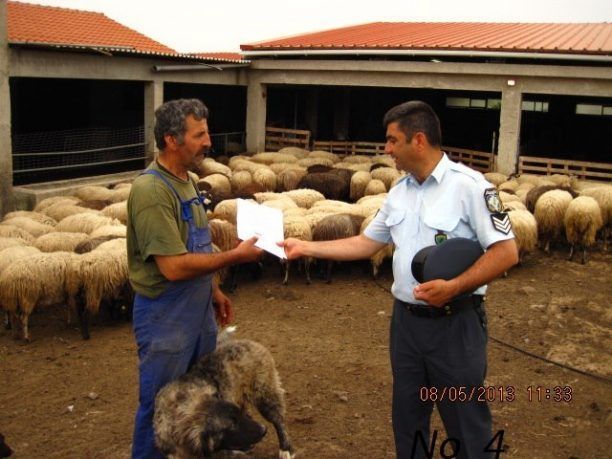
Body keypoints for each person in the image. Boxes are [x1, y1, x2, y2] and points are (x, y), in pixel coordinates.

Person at [280, 100, 518, 458]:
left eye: (392, 141)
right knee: (408, 422)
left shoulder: (472, 187)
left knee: (466, 423)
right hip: (406, 326)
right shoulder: (398, 192)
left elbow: (507, 251)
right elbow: (366, 243)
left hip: (455, 326)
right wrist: (307, 247)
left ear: (418, 140)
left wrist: (454, 287)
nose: (387, 149)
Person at [126, 98, 263, 459]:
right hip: (165, 316)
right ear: (172, 140)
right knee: (161, 404)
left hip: (197, 309)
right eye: (199, 134)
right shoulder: (152, 191)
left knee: (200, 399)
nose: (208, 141)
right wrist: (235, 256)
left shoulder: (186, 180)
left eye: (207, 132)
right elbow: (171, 267)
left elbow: (197, 246)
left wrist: (215, 289)